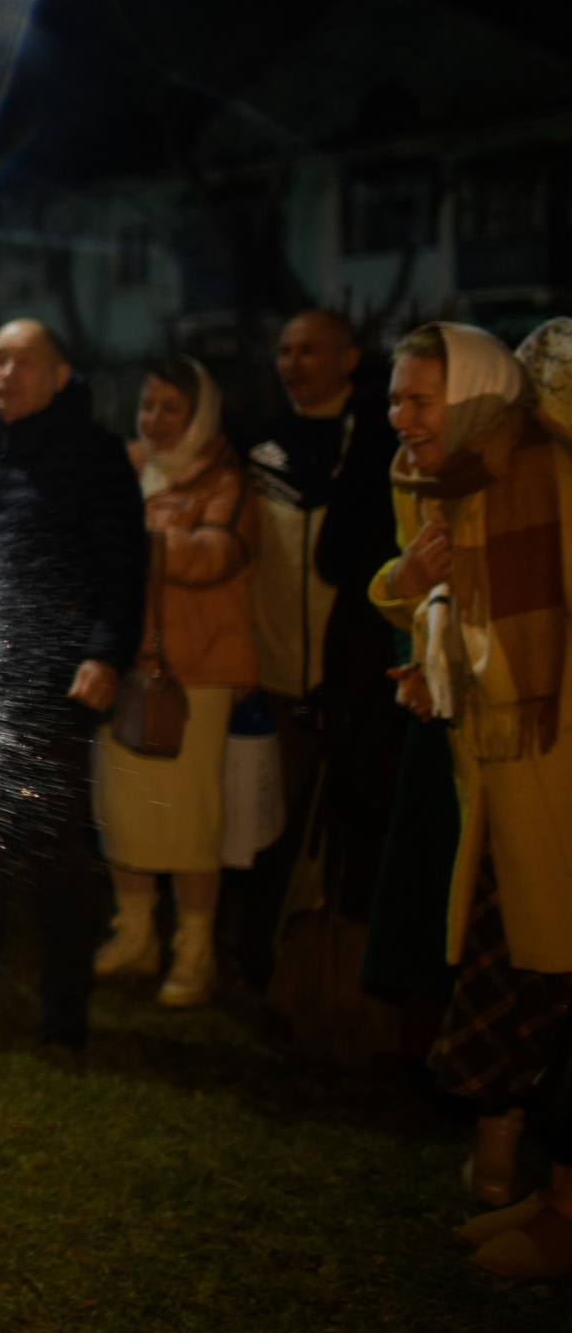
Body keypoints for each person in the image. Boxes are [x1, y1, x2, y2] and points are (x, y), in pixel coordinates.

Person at [372, 323, 572, 1274]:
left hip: (555, 765)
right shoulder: (434, 482)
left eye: (419, 399)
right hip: (495, 776)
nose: (399, 417)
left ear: (477, 397)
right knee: (521, 975)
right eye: (396, 398)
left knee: (559, 984)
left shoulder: (547, 473)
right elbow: (424, 599)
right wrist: (420, 624)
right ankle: (544, 1188)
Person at [0, 319, 145, 1050]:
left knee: (56, 852)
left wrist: (106, 655)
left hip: (51, 682)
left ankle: (64, 1002)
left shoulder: (95, 457)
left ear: (59, 375)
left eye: (24, 361)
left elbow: (123, 569)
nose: (7, 373)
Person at [240, 309, 402, 991]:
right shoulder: (262, 449)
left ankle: (336, 974)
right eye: (285, 350)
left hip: (353, 679)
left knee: (346, 830)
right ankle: (256, 960)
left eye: (310, 350)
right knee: (267, 828)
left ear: (349, 359)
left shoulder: (375, 441)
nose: (293, 363)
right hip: (277, 673)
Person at [90, 357, 257, 1007]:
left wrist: (139, 539)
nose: (154, 420)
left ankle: (195, 951)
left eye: (171, 408)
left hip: (196, 674)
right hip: (125, 664)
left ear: (201, 416)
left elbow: (215, 556)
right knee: (123, 813)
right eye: (147, 405)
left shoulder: (224, 481)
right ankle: (135, 934)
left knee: (190, 822)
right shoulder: (125, 469)